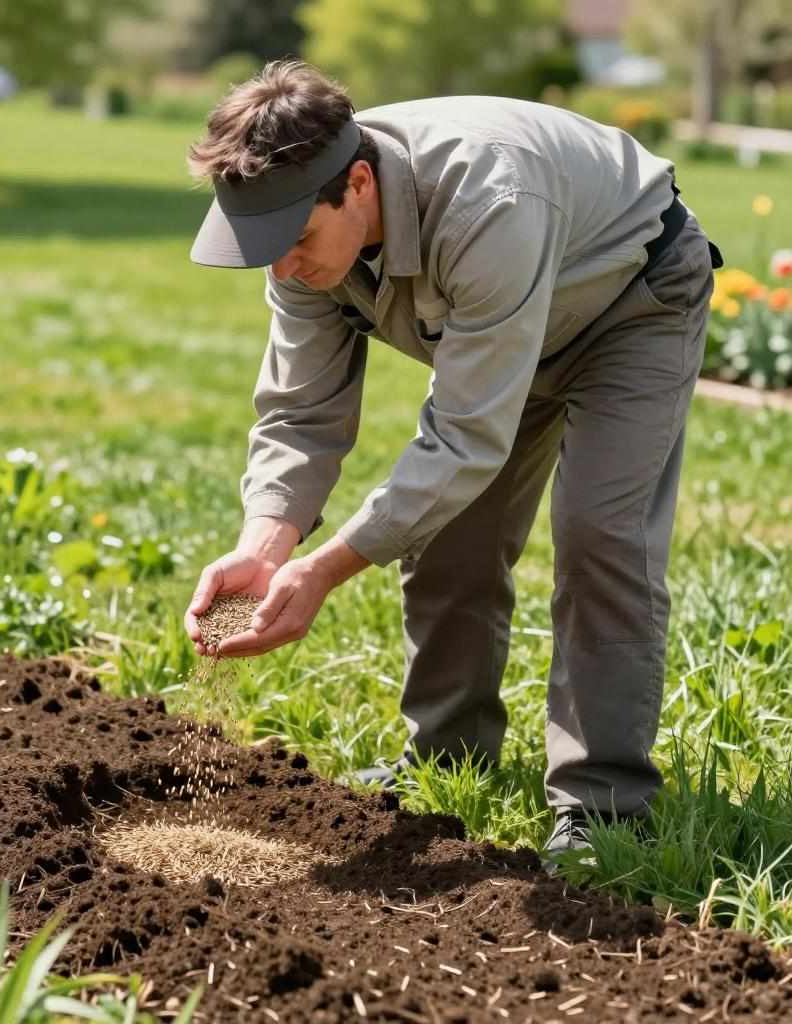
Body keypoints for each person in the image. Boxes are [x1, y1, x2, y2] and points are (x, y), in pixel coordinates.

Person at [182, 60, 723, 865]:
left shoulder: (486, 200)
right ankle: (447, 755)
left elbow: (468, 435)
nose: (283, 267)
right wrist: (264, 546)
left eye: (295, 242)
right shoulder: (298, 243)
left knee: (598, 535)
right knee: (446, 531)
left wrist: (325, 569)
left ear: (357, 184)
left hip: (629, 303)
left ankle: (604, 807)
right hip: (502, 326)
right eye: (265, 249)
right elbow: (301, 413)